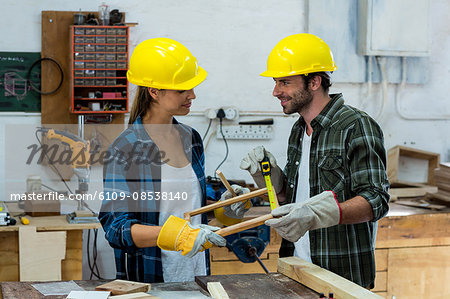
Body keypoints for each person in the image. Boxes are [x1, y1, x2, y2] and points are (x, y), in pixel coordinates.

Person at [240, 33, 390, 288]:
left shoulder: (356, 126)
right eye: (276, 82)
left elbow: (377, 200)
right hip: (297, 268)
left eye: (285, 82)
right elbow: (293, 199)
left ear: (314, 82)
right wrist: (272, 181)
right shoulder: (299, 130)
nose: (276, 91)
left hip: (341, 277)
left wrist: (324, 213)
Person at [99, 38, 248, 283]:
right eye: (182, 90)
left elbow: (195, 218)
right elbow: (116, 229)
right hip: (153, 278)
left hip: (197, 273)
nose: (192, 95)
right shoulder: (126, 148)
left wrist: (227, 210)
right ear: (154, 92)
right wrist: (176, 235)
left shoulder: (192, 139)